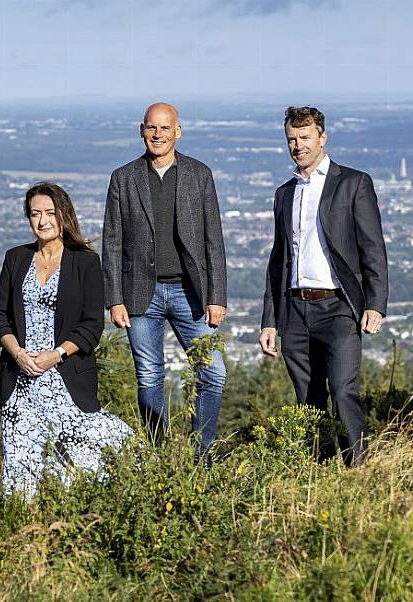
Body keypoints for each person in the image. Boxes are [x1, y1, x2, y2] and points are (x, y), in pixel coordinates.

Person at [259, 106, 389, 466]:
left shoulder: (353, 183)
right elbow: (278, 259)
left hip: (339, 308)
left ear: (322, 138)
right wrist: (270, 319)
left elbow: (372, 247)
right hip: (295, 310)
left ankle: (359, 466)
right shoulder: (285, 193)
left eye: (304, 137)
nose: (297, 145)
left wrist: (375, 304)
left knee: (344, 390)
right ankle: (320, 468)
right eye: (291, 139)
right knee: (307, 399)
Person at [0, 182, 133, 500]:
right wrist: (19, 354)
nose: (42, 221)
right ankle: (23, 538)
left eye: (50, 213)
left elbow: (92, 326)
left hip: (65, 382)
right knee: (20, 476)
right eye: (35, 214)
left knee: (93, 461)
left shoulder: (85, 262)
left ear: (64, 215)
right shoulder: (16, 258)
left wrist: (54, 355)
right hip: (20, 386)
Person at [101, 102, 228, 458]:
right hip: (141, 294)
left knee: (213, 373)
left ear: (178, 131)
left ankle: (202, 452)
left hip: (193, 293)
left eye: (165, 128)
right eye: (151, 128)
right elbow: (112, 241)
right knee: (149, 378)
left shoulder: (199, 174)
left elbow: (213, 240)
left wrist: (217, 296)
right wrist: (114, 298)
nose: (158, 135)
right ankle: (158, 458)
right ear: (142, 130)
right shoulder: (123, 178)